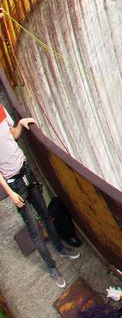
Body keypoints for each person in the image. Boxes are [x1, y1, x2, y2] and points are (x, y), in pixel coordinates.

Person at [0, 104, 80, 288]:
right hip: (14, 183)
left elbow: (11, 135)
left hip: (26, 170)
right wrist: (11, 194)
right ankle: (52, 268)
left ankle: (60, 248)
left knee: (45, 214)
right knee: (34, 230)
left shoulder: (1, 110)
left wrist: (20, 124)